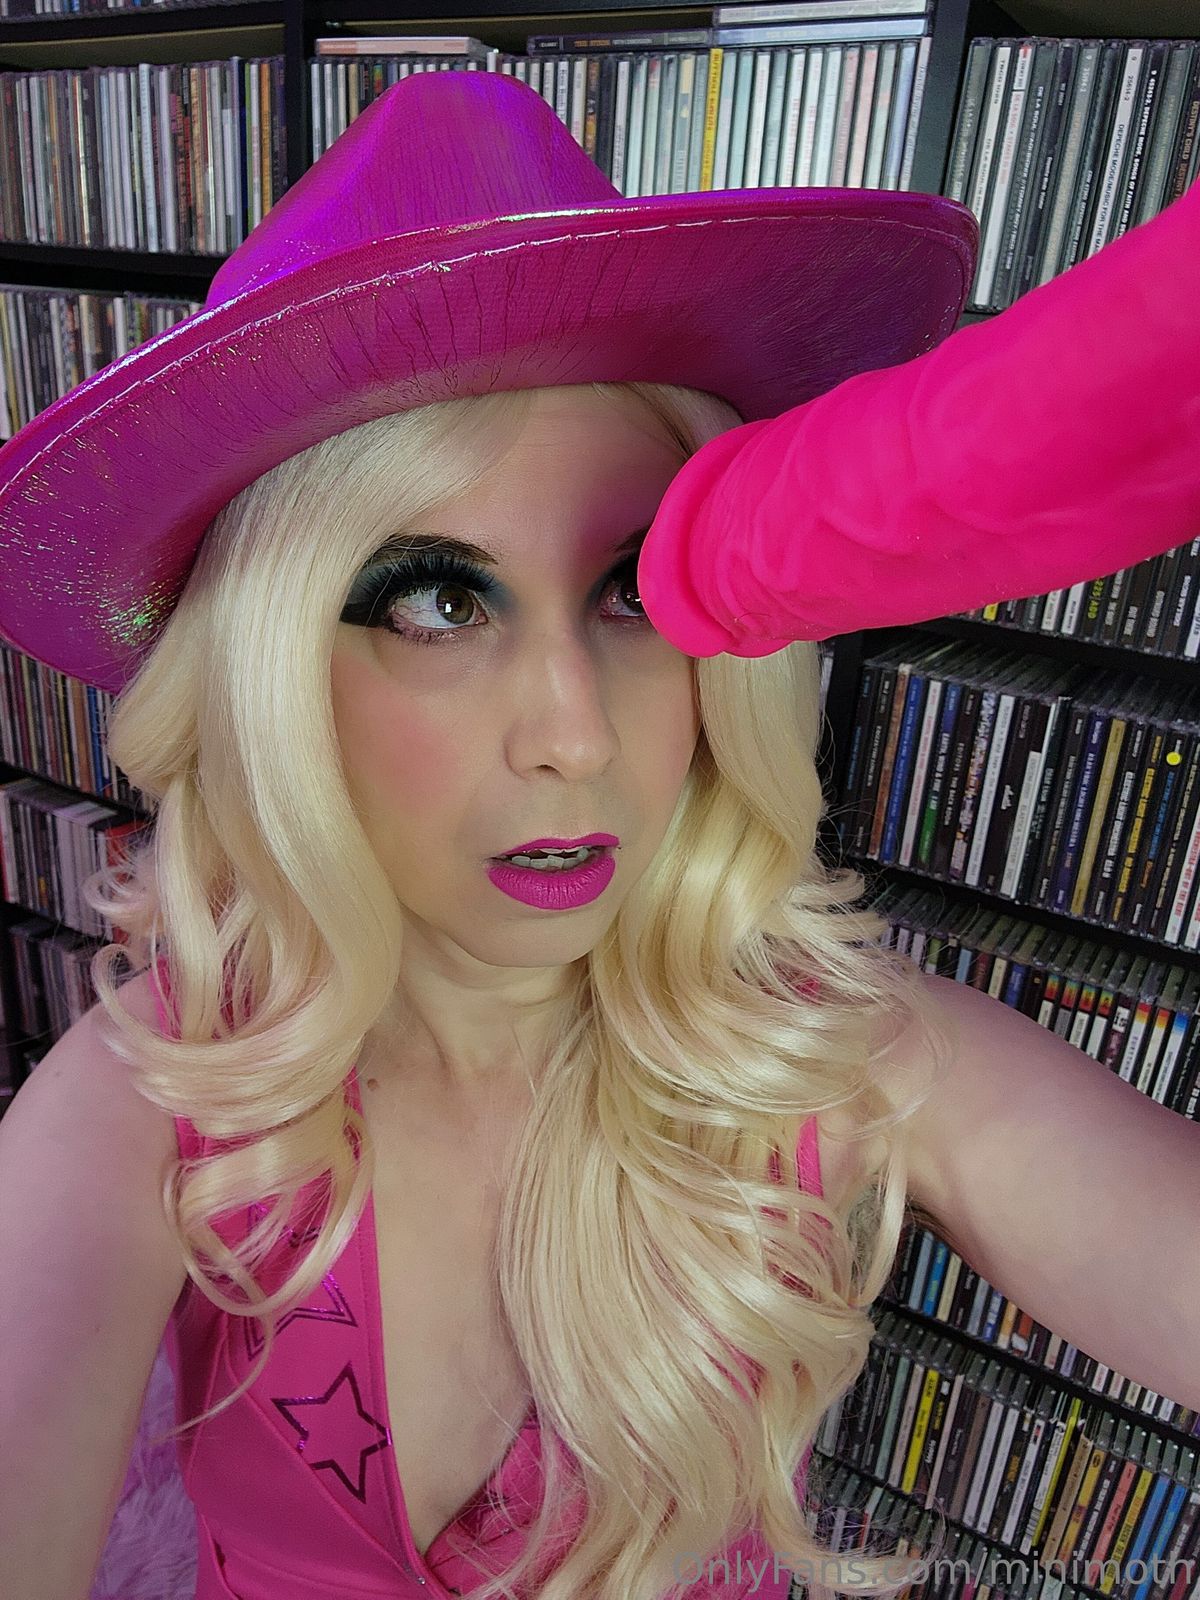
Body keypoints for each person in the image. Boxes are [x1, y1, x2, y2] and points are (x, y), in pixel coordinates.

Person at [0, 67, 1197, 1600]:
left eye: (631, 590)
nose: (572, 731)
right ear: (276, 675)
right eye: (440, 601)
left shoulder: (824, 1062)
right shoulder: (157, 1108)